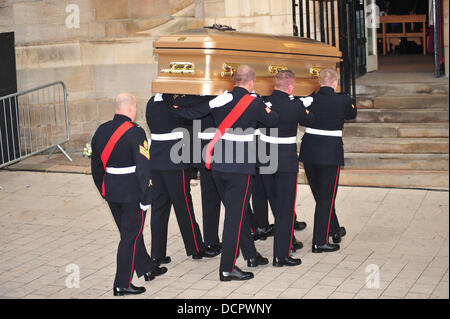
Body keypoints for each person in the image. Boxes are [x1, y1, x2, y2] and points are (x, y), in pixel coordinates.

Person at [206, 65, 278, 281]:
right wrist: (259, 102)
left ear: (233, 80)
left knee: (237, 214)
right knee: (234, 218)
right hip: (239, 167)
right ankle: (227, 268)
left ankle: (251, 255)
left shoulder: (220, 100)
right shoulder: (254, 102)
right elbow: (273, 120)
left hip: (218, 165)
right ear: (251, 82)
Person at [90, 93, 167, 296]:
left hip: (111, 191)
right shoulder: (136, 132)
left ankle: (146, 269)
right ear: (132, 109)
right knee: (130, 238)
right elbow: (143, 168)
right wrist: (146, 198)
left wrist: (103, 189)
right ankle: (122, 283)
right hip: (132, 194)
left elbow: (96, 166)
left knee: (130, 233)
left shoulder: (101, 130)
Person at [145, 93, 218, 266]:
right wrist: (214, 100)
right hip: (174, 162)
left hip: (156, 160)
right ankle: (196, 248)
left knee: (159, 209)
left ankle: (157, 254)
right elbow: (194, 109)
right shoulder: (173, 102)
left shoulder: (152, 101)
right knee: (184, 207)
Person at [259, 70, 315, 266]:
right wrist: (306, 104)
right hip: (285, 160)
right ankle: (281, 256)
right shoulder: (295, 105)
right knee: (285, 207)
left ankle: (288, 241)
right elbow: (310, 120)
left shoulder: (263, 103)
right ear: (291, 86)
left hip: (265, 157)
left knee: (274, 202)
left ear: (275, 84)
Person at [299, 68, 356, 253]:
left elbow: (301, 118)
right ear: (335, 83)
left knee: (321, 196)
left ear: (319, 82)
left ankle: (334, 228)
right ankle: (319, 242)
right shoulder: (343, 99)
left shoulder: (309, 100)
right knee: (326, 198)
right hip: (329, 154)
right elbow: (352, 114)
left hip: (309, 153)